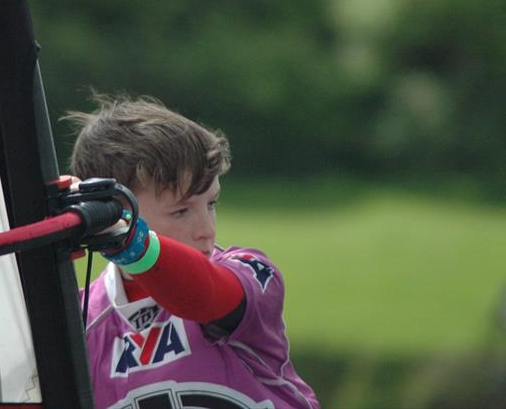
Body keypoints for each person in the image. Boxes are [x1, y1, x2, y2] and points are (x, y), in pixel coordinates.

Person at [66, 95, 320, 409]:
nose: (207, 229)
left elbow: (203, 295)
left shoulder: (248, 272)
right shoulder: (75, 319)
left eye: (211, 203)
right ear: (111, 210)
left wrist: (129, 242)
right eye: (181, 211)